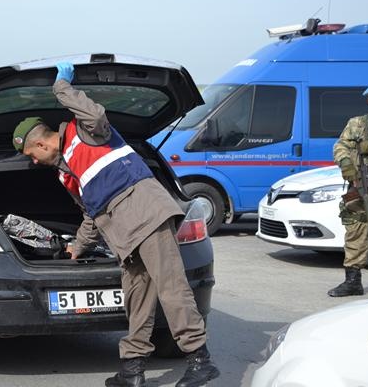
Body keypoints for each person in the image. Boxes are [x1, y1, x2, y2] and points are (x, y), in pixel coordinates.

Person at [12, 62, 219, 387]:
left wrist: (62, 89)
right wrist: (77, 248)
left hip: (147, 216)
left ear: (41, 144)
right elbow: (91, 214)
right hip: (124, 237)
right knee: (136, 299)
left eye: (32, 155)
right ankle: (132, 370)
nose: (34, 162)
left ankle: (199, 359)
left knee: (171, 287)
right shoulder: (67, 174)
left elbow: (95, 115)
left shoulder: (86, 132)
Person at [329, 80, 368, 297]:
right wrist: (345, 163)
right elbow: (341, 145)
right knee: (355, 232)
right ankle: (352, 281)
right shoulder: (357, 124)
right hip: (361, 187)